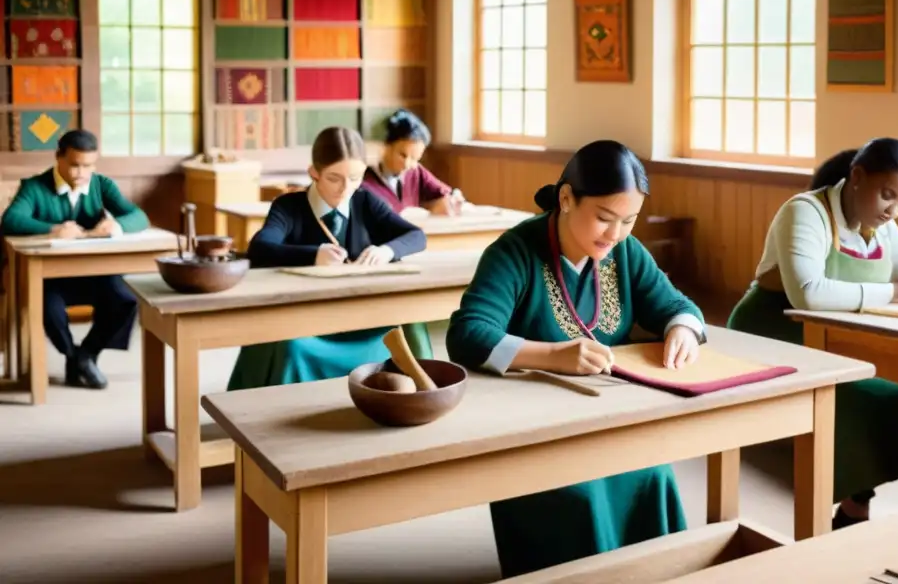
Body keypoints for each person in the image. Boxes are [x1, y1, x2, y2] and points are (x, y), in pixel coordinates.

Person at [445, 139, 707, 578]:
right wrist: (551, 355)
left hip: (610, 418)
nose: (615, 234)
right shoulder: (515, 251)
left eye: (628, 221)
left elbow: (678, 306)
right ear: (566, 198)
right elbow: (467, 334)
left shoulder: (624, 251)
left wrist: (682, 327)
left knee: (653, 476)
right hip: (532, 427)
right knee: (580, 493)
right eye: (604, 219)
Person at [726, 137, 898, 529]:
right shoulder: (805, 211)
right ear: (857, 177)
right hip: (774, 331)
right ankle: (858, 500)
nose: (893, 211)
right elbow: (808, 295)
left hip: (843, 333)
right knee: (861, 395)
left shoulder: (884, 226)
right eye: (887, 196)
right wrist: (896, 291)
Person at [227, 126, 432, 390]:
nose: (346, 188)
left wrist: (385, 251)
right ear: (314, 172)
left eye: (355, 177)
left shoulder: (365, 201)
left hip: (360, 317)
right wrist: (313, 255)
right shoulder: (289, 207)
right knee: (290, 345)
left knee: (410, 323)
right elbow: (260, 248)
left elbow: (416, 236)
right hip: (303, 320)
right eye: (335, 178)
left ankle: (419, 402)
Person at [0, 129, 149, 389]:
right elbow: (10, 220)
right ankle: (72, 356)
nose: (82, 173)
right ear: (59, 158)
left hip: (95, 272)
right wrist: (53, 230)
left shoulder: (101, 185)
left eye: (88, 166)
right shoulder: (35, 187)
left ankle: (85, 355)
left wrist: (116, 226)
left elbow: (139, 216)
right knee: (49, 309)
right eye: (75, 165)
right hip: (50, 277)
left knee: (125, 300)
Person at [362, 109, 465, 216]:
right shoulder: (365, 183)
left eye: (415, 158)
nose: (407, 164)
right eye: (402, 155)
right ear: (387, 147)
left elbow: (444, 192)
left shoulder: (416, 172)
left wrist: (454, 197)